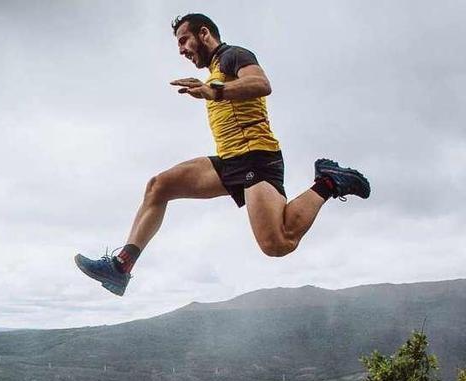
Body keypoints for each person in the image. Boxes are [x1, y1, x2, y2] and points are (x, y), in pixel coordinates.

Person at [75, 13, 370, 296]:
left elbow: (261, 84)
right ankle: (120, 267)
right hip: (229, 161)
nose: (181, 50)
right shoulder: (213, 74)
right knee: (158, 186)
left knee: (277, 243)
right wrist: (209, 87)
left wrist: (213, 91)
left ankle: (329, 182)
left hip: (257, 157)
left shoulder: (233, 55)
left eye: (184, 40)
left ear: (204, 34)